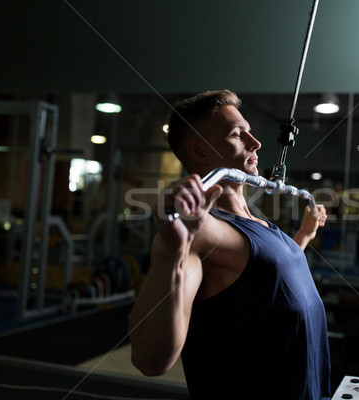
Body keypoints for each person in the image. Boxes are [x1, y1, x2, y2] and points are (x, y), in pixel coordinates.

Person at [128, 90, 331, 399]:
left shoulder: (254, 222)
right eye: (238, 134)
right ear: (200, 150)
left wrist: (303, 234)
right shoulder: (202, 232)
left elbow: (269, 276)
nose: (255, 142)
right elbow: (149, 360)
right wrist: (173, 252)